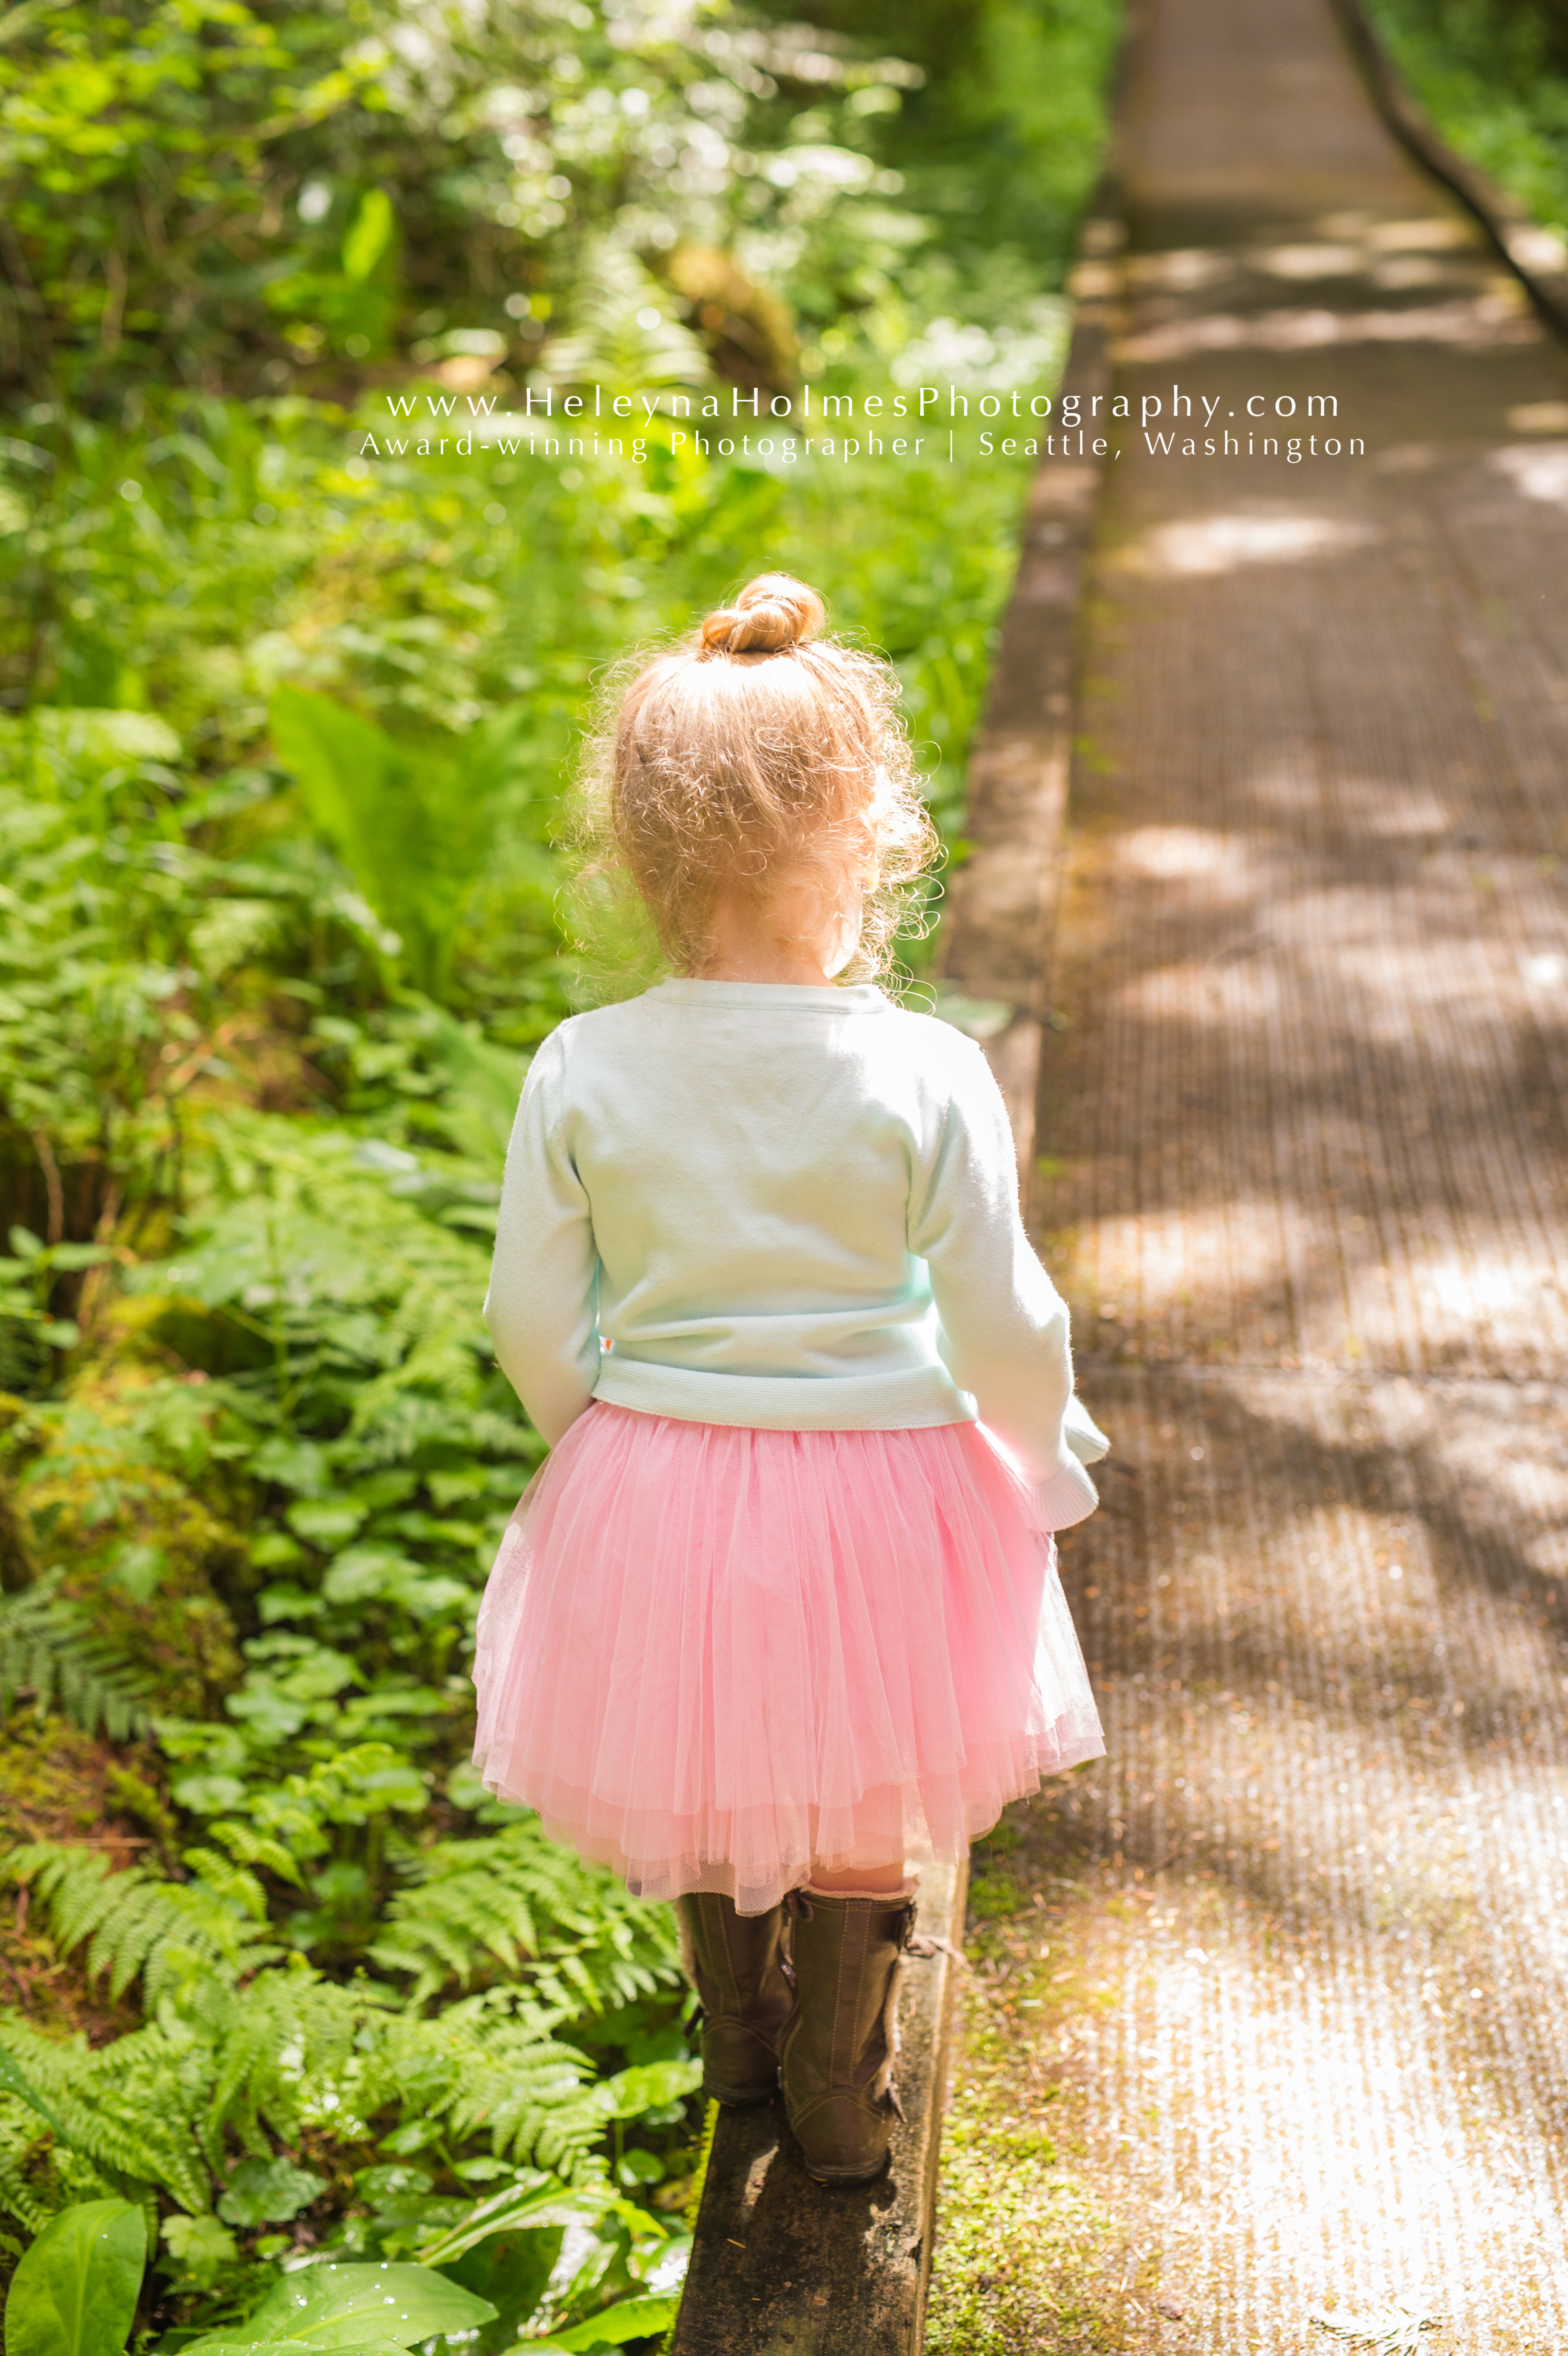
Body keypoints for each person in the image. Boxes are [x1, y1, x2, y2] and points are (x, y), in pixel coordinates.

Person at [473, 572, 1107, 2187]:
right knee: (852, 1799)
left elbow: (530, 1317)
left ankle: (737, 2053)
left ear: (638, 849)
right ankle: (843, 2092)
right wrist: (1037, 1456)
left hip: (660, 1470)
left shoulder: (583, 1066)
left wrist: (606, 1451)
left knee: (704, 1762)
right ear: (871, 837)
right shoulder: (922, 1069)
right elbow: (1000, 1313)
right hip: (887, 1484)